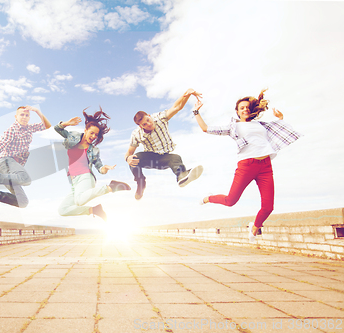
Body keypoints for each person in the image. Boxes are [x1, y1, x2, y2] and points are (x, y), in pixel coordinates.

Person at [193, 89, 302, 242]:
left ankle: (255, 227)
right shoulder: (234, 127)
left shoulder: (261, 125)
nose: (245, 109)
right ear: (237, 112)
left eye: (247, 107)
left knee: (268, 207)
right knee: (230, 201)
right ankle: (208, 198)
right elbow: (206, 129)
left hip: (265, 166)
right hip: (246, 166)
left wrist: (281, 118)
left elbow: (277, 131)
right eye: (241, 108)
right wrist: (196, 111)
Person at [124, 88, 204, 200]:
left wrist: (187, 94)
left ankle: (182, 176)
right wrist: (127, 159)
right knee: (134, 158)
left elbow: (177, 107)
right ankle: (141, 183)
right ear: (140, 126)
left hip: (164, 158)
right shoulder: (137, 134)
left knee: (176, 158)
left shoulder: (160, 118)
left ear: (149, 115)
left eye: (147, 120)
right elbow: (129, 152)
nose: (148, 124)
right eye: (144, 124)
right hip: (150, 158)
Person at [55, 109, 131, 221]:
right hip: (74, 181)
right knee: (63, 210)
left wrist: (104, 169)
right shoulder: (73, 137)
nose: (94, 136)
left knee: (79, 201)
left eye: (96, 134)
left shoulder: (94, 150)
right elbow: (57, 129)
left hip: (85, 177)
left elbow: (99, 167)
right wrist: (66, 123)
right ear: (85, 130)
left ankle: (111, 187)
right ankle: (94, 210)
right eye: (92, 133)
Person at [0, 105, 51, 208]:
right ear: (16, 117)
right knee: (25, 179)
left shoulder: (29, 128)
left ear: (29, 118)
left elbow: (47, 126)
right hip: (6, 162)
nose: (24, 117)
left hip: (12, 172)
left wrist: (37, 111)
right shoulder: (12, 130)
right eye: (22, 115)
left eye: (27, 115)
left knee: (22, 202)